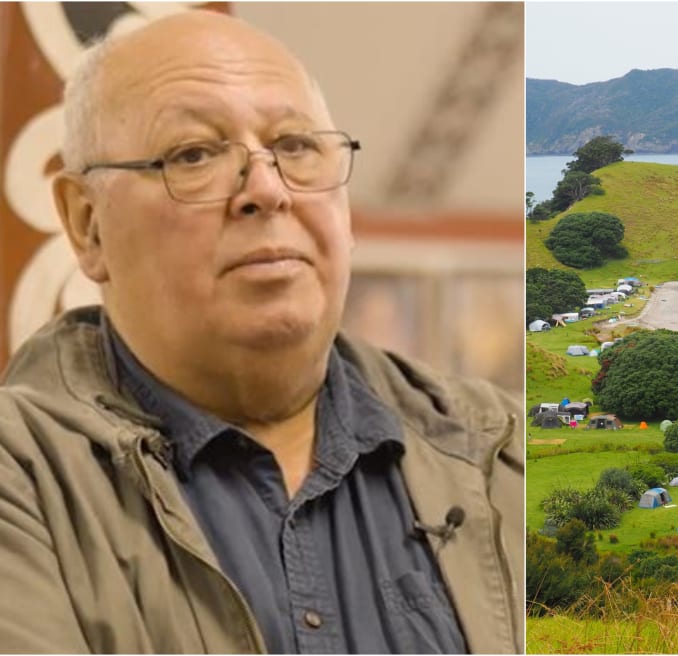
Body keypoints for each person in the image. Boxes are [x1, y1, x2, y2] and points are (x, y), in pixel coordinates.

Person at [0, 10, 522, 654]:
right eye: (193, 155)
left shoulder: (509, 459)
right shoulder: (25, 484)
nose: (267, 190)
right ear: (88, 224)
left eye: (297, 147)